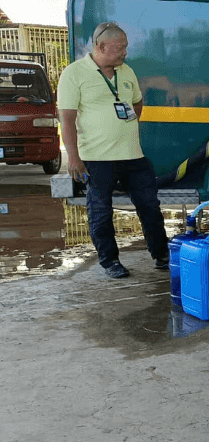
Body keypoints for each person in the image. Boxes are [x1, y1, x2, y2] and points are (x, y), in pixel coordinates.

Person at [57, 22, 169, 279]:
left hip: (133, 155)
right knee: (100, 212)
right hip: (96, 159)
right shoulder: (74, 74)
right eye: (120, 48)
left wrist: (123, 128)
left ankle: (161, 255)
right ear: (101, 46)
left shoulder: (126, 71)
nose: (124, 53)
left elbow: (137, 104)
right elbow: (67, 119)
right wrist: (73, 157)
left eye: (126, 48)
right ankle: (110, 261)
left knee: (150, 206)